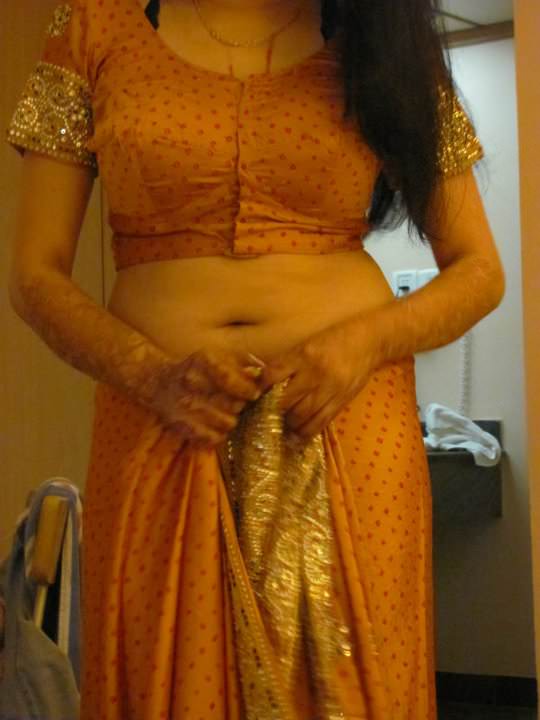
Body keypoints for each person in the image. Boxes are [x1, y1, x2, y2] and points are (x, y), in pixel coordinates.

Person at [6, 0, 505, 717]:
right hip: (160, 425)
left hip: (345, 423)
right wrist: (149, 374)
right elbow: (35, 274)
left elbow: (479, 271)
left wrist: (363, 344)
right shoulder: (94, 23)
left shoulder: (380, 31)